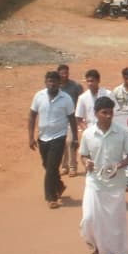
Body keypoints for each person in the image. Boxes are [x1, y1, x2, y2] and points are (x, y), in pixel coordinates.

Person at [79, 96, 128, 254]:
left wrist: (118, 166)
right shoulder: (88, 133)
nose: (108, 116)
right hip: (94, 183)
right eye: (104, 113)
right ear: (96, 114)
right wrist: (85, 163)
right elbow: (83, 155)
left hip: (116, 184)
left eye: (111, 113)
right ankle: (94, 249)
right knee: (89, 219)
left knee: (113, 223)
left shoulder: (122, 132)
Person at [28, 71, 78, 209]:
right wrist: (30, 137)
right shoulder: (39, 96)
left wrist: (75, 138)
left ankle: (51, 197)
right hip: (43, 137)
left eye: (54, 81)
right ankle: (59, 185)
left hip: (59, 137)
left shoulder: (66, 98)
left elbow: (72, 118)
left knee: (51, 168)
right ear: (45, 82)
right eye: (49, 81)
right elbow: (32, 116)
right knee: (47, 165)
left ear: (59, 83)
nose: (52, 83)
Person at [57, 64, 83, 177]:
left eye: (66, 73)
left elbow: (81, 100)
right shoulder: (55, 87)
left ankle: (73, 166)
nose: (65, 75)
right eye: (62, 73)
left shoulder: (75, 86)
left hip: (71, 119)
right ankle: (64, 166)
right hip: (59, 119)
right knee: (61, 143)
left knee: (71, 141)